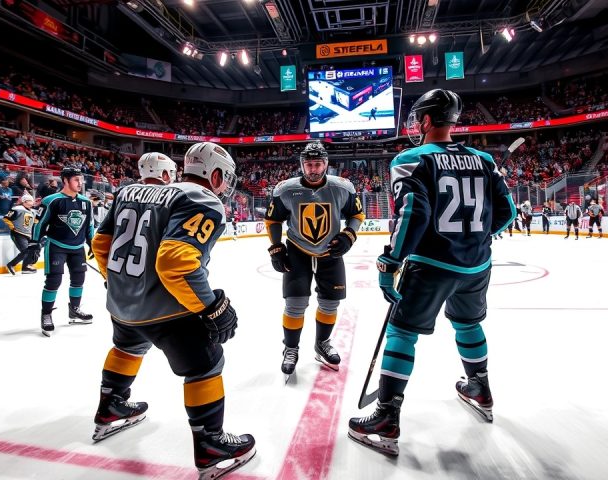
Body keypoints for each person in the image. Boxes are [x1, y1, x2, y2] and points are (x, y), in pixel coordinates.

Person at [348, 89, 516, 456]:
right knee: (468, 324)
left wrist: (391, 261)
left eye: (417, 119)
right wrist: (473, 238)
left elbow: (413, 213)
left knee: (402, 332)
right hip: (476, 265)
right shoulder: (485, 160)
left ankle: (386, 418)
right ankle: (479, 388)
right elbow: (508, 213)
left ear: (425, 120)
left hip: (431, 265)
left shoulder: (411, 159)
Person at [90, 147, 255, 478]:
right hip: (166, 310)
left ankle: (111, 407)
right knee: (206, 365)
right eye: (225, 178)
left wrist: (117, 282)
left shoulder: (128, 191)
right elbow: (175, 262)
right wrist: (210, 307)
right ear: (216, 175)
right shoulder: (203, 199)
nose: (226, 185)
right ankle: (210, 445)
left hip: (122, 303)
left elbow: (100, 244)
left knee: (128, 346)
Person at [265, 141, 365, 379]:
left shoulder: (342, 187)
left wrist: (349, 235)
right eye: (309, 164)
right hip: (297, 250)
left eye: (317, 164)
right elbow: (273, 220)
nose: (313, 169)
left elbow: (357, 214)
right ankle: (290, 348)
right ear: (302, 165)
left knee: (330, 303)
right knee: (295, 303)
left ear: (326, 164)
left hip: (331, 252)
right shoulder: (285, 190)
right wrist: (276, 247)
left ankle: (322, 343)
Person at [27, 167, 94, 336]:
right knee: (53, 281)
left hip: (78, 248)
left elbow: (89, 225)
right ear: (65, 180)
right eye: (76, 180)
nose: (80, 183)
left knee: (78, 280)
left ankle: (74, 310)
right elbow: (40, 223)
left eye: (81, 180)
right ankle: (46, 314)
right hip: (56, 246)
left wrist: (92, 243)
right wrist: (34, 243)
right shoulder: (51, 200)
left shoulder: (86, 202)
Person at [3, 193, 37, 274]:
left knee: (31, 250)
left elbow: (35, 222)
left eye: (32, 200)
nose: (32, 202)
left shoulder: (33, 212)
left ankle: (26, 267)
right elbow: (6, 218)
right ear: (24, 201)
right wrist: (12, 227)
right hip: (18, 233)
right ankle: (11, 264)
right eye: (29, 200)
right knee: (26, 251)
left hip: (27, 234)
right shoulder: (17, 209)